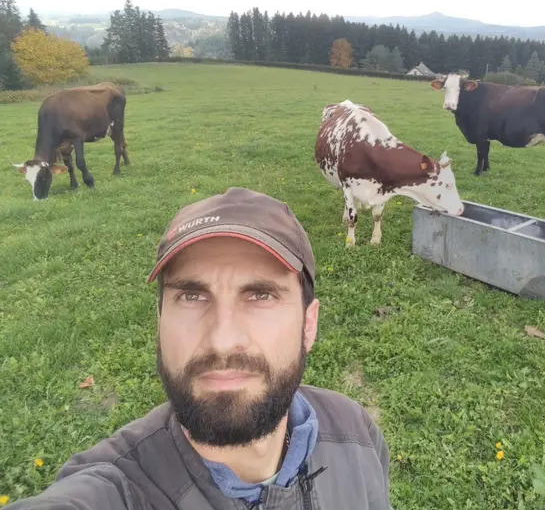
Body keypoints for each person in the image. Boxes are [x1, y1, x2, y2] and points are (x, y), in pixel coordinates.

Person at [8, 187, 391, 510]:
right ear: (159, 320)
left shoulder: (356, 432)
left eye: (260, 295)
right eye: (191, 296)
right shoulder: (117, 490)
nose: (222, 340)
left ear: (309, 324)